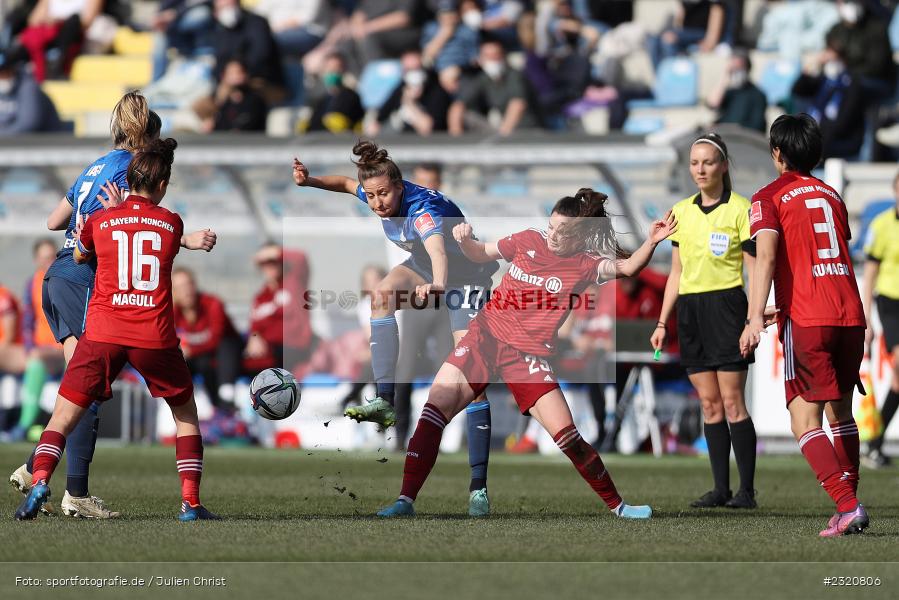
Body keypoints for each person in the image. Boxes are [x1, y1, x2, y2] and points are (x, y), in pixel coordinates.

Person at [376, 188, 677, 518]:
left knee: (569, 438)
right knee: (434, 410)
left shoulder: (585, 264)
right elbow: (480, 253)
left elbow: (629, 267)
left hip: (528, 358)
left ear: (580, 236)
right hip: (485, 338)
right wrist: (464, 242)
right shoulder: (529, 239)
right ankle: (405, 500)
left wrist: (652, 241)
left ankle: (619, 507)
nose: (553, 235)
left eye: (563, 231)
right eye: (551, 226)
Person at [8, 92, 216, 520]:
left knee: (77, 392)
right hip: (89, 285)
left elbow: (54, 221)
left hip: (59, 276)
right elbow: (142, 224)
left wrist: (99, 222)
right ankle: (76, 493)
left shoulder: (97, 165)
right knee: (85, 395)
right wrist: (182, 237)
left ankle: (35, 469)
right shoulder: (132, 169)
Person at [293, 141, 499, 516]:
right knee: (381, 296)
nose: (377, 202)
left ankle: (478, 487)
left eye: (383, 194)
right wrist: (310, 182)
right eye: (371, 196)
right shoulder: (376, 192)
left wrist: (438, 284)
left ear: (400, 187)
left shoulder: (423, 212)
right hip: (423, 268)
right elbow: (345, 184)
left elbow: (437, 249)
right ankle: (384, 401)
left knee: (472, 383)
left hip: (465, 279)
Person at [741, 113, 869, 537]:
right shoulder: (832, 195)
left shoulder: (768, 196)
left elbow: (766, 256)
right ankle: (848, 502)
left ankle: (848, 506)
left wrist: (753, 316)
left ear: (777, 153)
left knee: (803, 420)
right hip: (849, 314)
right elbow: (826, 252)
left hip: (810, 317)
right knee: (841, 412)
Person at [651, 133, 759, 509]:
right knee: (709, 404)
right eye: (695, 163)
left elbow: (754, 270)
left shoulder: (741, 209)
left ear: (723, 166)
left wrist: (753, 318)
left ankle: (746, 491)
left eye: (708, 162)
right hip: (691, 312)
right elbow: (676, 272)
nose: (700, 169)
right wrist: (662, 323)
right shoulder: (680, 212)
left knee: (732, 402)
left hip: (727, 308)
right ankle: (720, 489)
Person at [6, 240, 65, 439]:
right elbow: (28, 320)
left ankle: (24, 426)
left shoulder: (66, 281)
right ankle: (10, 421)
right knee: (21, 356)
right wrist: (30, 346)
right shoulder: (33, 283)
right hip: (38, 348)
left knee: (36, 361)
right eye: (44, 258)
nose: (48, 262)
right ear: (36, 260)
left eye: (52, 257)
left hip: (60, 349)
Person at [860, 171, 899, 467]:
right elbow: (870, 274)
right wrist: (867, 318)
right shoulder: (882, 225)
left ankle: (873, 444)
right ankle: (872, 443)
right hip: (891, 302)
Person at [172, 267, 242, 410]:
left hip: (225, 356)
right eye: (179, 287)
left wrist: (190, 350)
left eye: (188, 284)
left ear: (195, 285)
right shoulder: (172, 313)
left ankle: (227, 396)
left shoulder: (212, 304)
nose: (186, 291)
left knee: (226, 344)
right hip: (199, 361)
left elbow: (217, 338)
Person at [448, 39, 537, 136]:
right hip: (502, 128)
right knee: (468, 116)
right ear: (480, 59)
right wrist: (456, 133)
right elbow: (459, 105)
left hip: (526, 129)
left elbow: (518, 104)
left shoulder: (514, 75)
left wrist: (504, 134)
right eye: (488, 56)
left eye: (496, 55)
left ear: (503, 56)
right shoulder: (483, 79)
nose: (493, 59)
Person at [367, 48, 453, 136]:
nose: (413, 74)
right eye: (408, 69)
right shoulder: (402, 87)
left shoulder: (436, 91)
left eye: (416, 69)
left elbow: (428, 129)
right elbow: (380, 117)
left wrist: (409, 102)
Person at [0, 48, 64, 135]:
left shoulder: (29, 88)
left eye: (4, 73)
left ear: (13, 70)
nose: (2, 77)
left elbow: (28, 125)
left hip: (46, 142)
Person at [302, 52, 364, 133]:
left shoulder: (350, 96)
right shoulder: (321, 100)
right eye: (329, 68)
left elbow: (339, 126)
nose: (333, 71)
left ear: (344, 70)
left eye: (337, 68)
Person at [707, 50, 767, 134]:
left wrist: (731, 127)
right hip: (725, 135)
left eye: (739, 68)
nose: (736, 71)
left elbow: (757, 126)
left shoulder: (758, 95)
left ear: (748, 68)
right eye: (733, 69)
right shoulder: (730, 93)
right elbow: (713, 104)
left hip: (744, 137)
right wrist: (725, 75)